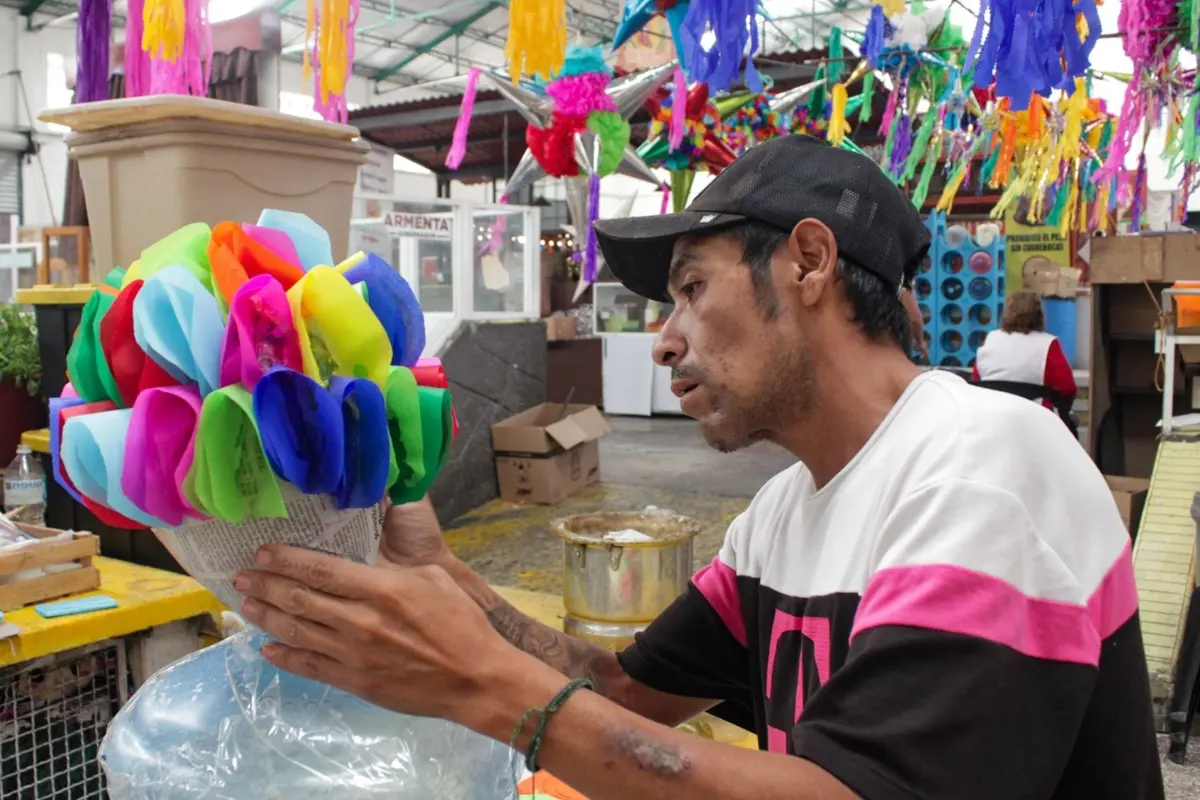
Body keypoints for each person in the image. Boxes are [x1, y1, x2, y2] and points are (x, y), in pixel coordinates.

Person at [232, 135, 1163, 799]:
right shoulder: (779, 518)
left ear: (807, 261)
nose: (666, 340)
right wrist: (438, 573)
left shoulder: (983, 467)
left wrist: (481, 682)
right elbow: (627, 695)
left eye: (689, 288)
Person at [973, 289, 1077, 410]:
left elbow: (977, 380)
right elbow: (1067, 388)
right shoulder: (1048, 344)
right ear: (1039, 315)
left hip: (992, 415)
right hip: (1036, 418)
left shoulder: (991, 339)